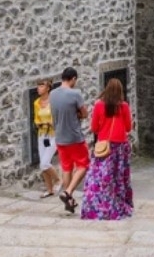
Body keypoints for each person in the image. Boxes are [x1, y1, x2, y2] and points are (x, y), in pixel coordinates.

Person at [81, 78, 134, 220]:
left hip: (104, 146)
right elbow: (128, 127)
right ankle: (119, 205)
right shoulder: (124, 106)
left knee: (101, 179)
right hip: (120, 148)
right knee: (118, 179)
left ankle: (98, 207)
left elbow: (94, 128)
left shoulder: (99, 105)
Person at [49, 66, 89, 213]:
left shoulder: (52, 94)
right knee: (83, 165)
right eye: (75, 80)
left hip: (59, 137)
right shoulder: (75, 94)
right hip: (74, 137)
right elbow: (84, 114)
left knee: (67, 168)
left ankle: (69, 200)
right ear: (73, 79)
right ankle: (68, 192)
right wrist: (76, 114)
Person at [33, 78, 60, 198]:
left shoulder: (54, 101)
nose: (38, 88)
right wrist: (40, 123)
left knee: (45, 163)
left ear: (48, 88)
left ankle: (58, 179)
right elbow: (36, 119)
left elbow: (57, 117)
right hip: (42, 134)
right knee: (42, 164)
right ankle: (49, 190)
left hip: (53, 134)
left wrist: (50, 122)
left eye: (41, 86)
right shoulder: (36, 103)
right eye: (38, 86)